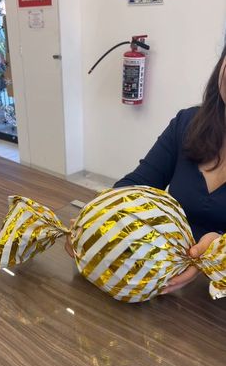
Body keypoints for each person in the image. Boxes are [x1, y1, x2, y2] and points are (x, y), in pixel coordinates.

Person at [65, 45, 226, 295]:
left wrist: (220, 251)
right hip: (155, 277)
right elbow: (137, 185)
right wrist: (94, 217)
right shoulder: (188, 124)